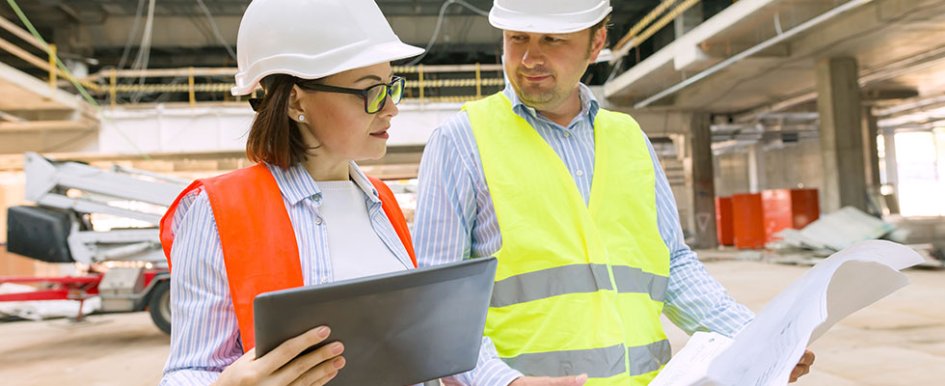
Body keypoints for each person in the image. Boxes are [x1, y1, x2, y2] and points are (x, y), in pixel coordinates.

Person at [413, 1, 815, 385]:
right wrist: (502, 381)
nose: (529, 59)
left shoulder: (629, 138)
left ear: (597, 42)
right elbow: (437, 296)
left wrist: (755, 339)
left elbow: (672, 263)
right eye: (517, 38)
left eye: (553, 40)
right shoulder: (462, 142)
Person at [158, 0, 423, 384]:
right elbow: (186, 372)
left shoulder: (382, 201)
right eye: (370, 91)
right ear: (297, 101)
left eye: (391, 87)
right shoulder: (219, 210)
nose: (391, 109)